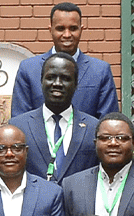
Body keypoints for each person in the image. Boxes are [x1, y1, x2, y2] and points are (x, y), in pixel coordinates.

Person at [12, 2, 118, 117]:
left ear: (81, 30)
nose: (67, 34)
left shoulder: (100, 71)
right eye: (60, 29)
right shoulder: (28, 69)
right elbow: (20, 120)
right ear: (50, 30)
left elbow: (108, 121)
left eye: (73, 28)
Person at [10, 53, 100, 183]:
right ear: (41, 81)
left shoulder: (93, 127)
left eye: (65, 78)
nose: (57, 83)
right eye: (51, 77)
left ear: (76, 84)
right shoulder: (18, 126)